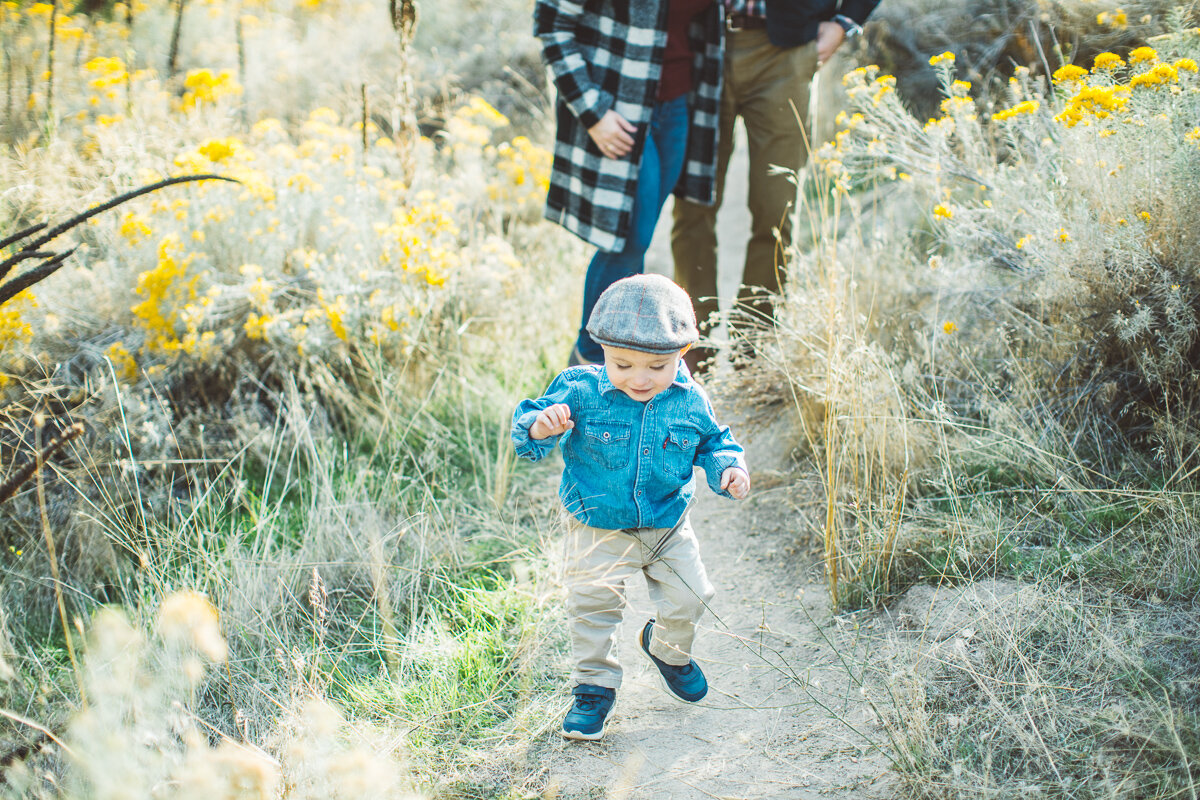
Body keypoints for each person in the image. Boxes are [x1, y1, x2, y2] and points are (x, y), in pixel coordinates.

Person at [511, 274, 750, 740]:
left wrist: (728, 470)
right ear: (601, 350)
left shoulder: (690, 400)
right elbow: (526, 429)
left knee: (694, 595)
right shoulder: (579, 390)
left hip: (665, 523)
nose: (639, 379)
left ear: (681, 356)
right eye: (623, 365)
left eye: (657, 366)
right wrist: (541, 427)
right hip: (596, 524)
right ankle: (594, 688)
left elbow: (714, 442)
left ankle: (667, 649)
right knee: (593, 603)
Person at [671, 0, 879, 372]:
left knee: (776, 208)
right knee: (693, 204)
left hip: (784, 52)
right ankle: (693, 341)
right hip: (702, 43)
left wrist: (844, 21)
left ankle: (753, 345)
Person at [534, 0, 724, 367]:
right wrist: (593, 111)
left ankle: (619, 365)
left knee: (634, 239)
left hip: (678, 104)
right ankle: (589, 367)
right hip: (617, 109)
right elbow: (552, 25)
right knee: (627, 238)